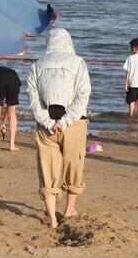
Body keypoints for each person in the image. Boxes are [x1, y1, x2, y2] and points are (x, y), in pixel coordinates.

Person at [27, 29, 91, 229]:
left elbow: (34, 100)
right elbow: (83, 94)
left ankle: (52, 219)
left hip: (46, 127)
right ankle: (69, 210)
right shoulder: (78, 62)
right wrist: (65, 121)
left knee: (47, 169)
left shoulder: (37, 65)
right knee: (74, 165)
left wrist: (48, 121)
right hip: (74, 124)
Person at [0, 65, 20, 151]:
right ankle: (11, 145)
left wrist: (3, 123)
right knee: (12, 113)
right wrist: (3, 123)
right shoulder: (12, 73)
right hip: (13, 78)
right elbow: (9, 111)